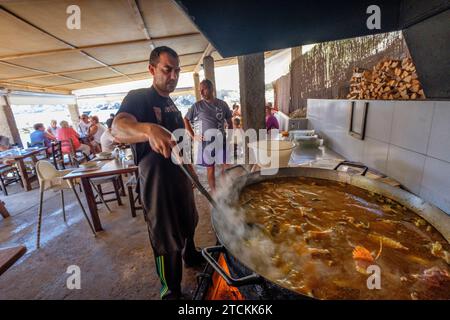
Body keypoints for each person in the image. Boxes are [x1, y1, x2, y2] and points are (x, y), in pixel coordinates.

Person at [112, 46, 203, 300]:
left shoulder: (170, 103)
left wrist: (191, 167)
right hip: (156, 182)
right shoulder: (139, 97)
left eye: (177, 71)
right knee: (165, 237)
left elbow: (180, 141)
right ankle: (170, 290)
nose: (173, 75)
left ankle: (191, 254)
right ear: (152, 69)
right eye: (167, 69)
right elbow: (118, 128)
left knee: (189, 219)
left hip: (180, 174)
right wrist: (149, 130)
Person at [184, 79, 233, 192]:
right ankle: (214, 193)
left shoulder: (222, 104)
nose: (201, 92)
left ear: (211, 89)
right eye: (200, 90)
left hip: (222, 141)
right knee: (210, 168)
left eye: (203, 89)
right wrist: (193, 136)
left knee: (226, 165)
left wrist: (230, 138)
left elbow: (230, 122)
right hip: (206, 143)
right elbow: (186, 119)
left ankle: (226, 188)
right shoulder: (197, 106)